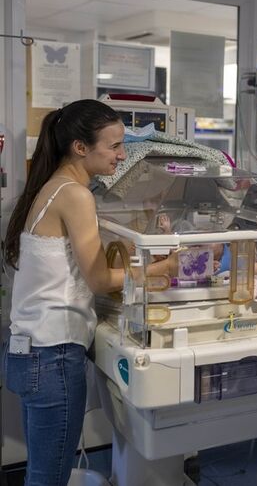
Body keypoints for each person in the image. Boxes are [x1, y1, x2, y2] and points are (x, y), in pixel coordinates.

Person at [3, 99, 175, 486]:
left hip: (26, 352)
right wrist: (166, 269)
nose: (122, 154)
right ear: (81, 147)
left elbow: (76, 263)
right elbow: (98, 280)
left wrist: (135, 251)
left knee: (42, 473)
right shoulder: (76, 195)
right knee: (50, 478)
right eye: (114, 146)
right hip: (53, 355)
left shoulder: (51, 187)